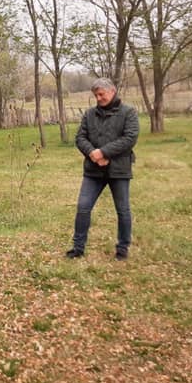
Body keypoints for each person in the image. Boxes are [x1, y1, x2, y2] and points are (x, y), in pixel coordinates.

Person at [67, 77, 140, 260]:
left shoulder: (128, 112)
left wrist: (104, 153)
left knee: (123, 210)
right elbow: (80, 138)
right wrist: (93, 153)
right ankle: (78, 248)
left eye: (102, 94)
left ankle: (122, 249)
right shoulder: (89, 114)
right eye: (96, 95)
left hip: (119, 170)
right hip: (93, 171)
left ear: (112, 91)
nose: (99, 98)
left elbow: (129, 138)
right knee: (83, 207)